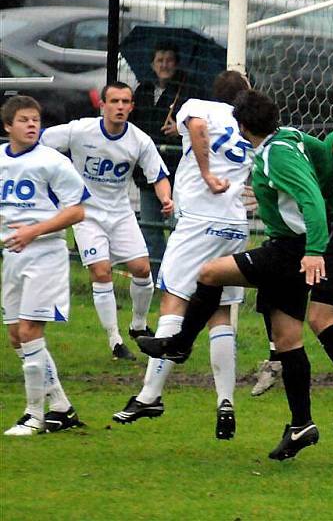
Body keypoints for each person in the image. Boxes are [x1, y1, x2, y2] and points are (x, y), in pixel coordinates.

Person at [137, 88, 333, 459]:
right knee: (288, 341)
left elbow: (311, 201)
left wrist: (316, 249)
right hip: (293, 249)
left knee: (209, 273)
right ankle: (302, 426)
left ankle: (180, 344)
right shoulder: (293, 138)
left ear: (242, 126)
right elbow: (324, 161)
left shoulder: (276, 155)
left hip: (289, 251)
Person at [112, 71, 253, 440]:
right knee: (219, 312)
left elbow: (199, 127)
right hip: (235, 224)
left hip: (200, 223)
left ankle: (150, 395)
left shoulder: (199, 106)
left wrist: (205, 173)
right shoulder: (246, 122)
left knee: (174, 302)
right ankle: (225, 402)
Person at [250, 70, 333, 399]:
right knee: (278, 272)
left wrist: (292, 194)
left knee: (320, 314)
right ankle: (276, 357)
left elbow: (322, 180)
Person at [40, 82, 173, 361]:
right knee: (101, 272)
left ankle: (138, 325)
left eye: (126, 102)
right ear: (102, 105)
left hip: (120, 213)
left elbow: (158, 175)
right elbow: (41, 141)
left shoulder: (139, 140)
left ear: (132, 107)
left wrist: (166, 199)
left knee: (141, 269)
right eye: (114, 101)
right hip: (86, 214)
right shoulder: (80, 130)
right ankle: (115, 341)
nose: (120, 107)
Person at [1, 95, 90, 435]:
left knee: (29, 332)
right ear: (8, 125)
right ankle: (62, 407)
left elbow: (77, 210)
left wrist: (34, 231)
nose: (32, 125)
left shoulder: (52, 161)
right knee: (16, 337)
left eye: (35, 120)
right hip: (14, 255)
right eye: (23, 120)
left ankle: (33, 415)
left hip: (45, 254)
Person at [130, 42, 190, 281]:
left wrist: (180, 128)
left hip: (176, 171)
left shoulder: (185, 91)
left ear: (176, 64)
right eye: (159, 60)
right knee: (150, 228)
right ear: (152, 64)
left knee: (178, 228)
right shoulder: (142, 90)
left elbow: (198, 125)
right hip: (146, 173)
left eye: (169, 60)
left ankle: (178, 278)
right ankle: (158, 277)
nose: (164, 65)